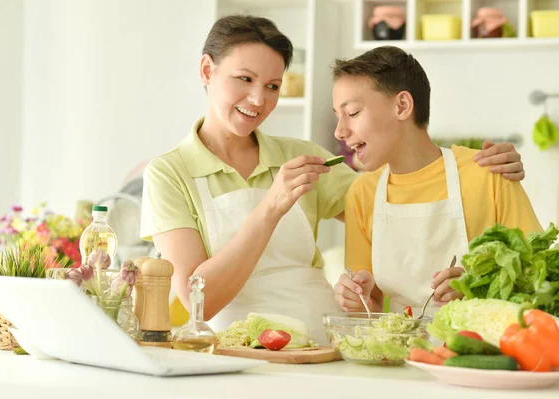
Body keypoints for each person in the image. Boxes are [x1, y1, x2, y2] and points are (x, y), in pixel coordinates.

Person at [140, 15, 526, 343]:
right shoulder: (169, 173)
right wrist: (270, 207)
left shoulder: (301, 156)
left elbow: (399, 193)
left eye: (273, 86)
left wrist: (471, 167)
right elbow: (197, 302)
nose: (258, 99)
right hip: (234, 349)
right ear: (208, 70)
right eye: (244, 79)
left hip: (320, 345)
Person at [332, 46, 542, 318]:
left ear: (402, 106)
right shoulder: (363, 192)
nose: (339, 131)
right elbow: (369, 306)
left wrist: (479, 286)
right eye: (338, 115)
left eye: (353, 113)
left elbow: (539, 275)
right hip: (396, 352)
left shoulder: (488, 173)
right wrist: (356, 299)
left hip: (475, 349)